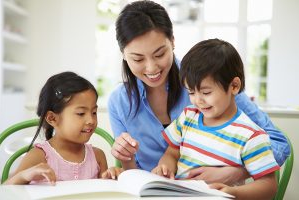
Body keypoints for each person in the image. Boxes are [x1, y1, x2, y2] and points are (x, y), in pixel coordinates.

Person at [108, 0, 289, 185]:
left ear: (172, 42)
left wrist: (237, 172)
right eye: (138, 59)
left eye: (159, 54)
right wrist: (124, 159)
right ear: (123, 53)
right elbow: (134, 171)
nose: (151, 67)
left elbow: (279, 143)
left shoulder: (209, 80)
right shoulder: (119, 103)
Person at [151, 39, 279, 199]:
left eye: (206, 93)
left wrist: (234, 192)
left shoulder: (250, 136)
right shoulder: (187, 117)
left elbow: (269, 186)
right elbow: (172, 153)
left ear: (234, 86)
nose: (198, 100)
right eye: (191, 92)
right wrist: (165, 167)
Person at [4, 72, 122, 185]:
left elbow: (104, 193)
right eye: (81, 113)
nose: (91, 120)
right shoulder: (39, 156)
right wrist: (24, 176)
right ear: (52, 118)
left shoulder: (98, 156)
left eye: (94, 112)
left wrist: (113, 178)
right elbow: (6, 190)